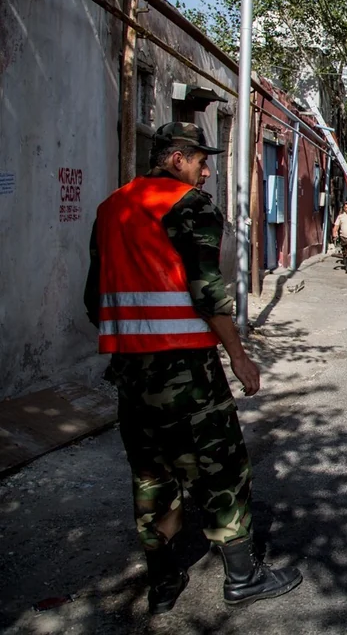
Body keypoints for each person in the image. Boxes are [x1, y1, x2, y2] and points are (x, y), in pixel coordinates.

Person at [84, 122, 302, 614]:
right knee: (222, 467)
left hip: (131, 374)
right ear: (176, 159)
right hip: (185, 371)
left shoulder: (110, 208)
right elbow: (207, 291)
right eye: (201, 162)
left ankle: (163, 582)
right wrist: (238, 355)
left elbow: (94, 299)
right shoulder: (190, 206)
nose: (206, 172)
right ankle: (243, 577)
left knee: (152, 475)